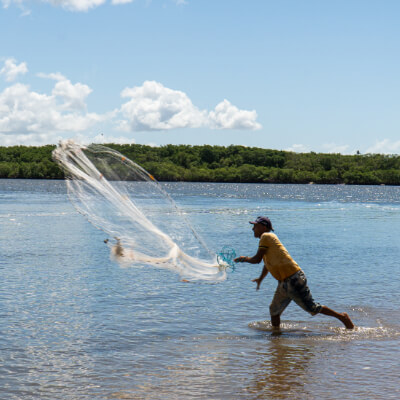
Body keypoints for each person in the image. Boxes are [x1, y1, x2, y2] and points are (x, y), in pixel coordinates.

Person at [234, 216, 354, 330]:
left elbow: (256, 260)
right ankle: (276, 336)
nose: (252, 229)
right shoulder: (266, 241)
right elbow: (267, 264)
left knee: (312, 308)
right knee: (274, 311)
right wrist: (260, 279)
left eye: (255, 226)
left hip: (294, 279)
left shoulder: (266, 236)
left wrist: (243, 259)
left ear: (264, 227)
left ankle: (342, 317)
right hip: (284, 283)